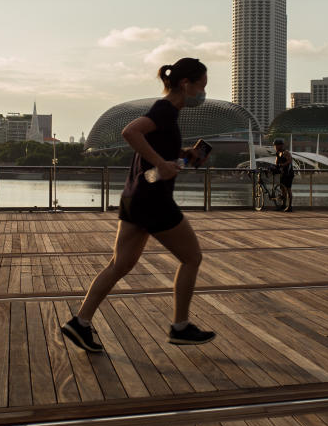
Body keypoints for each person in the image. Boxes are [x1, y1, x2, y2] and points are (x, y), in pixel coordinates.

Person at [61, 58, 216, 352]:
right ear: (187, 84)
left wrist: (183, 156)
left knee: (119, 265)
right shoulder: (164, 110)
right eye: (202, 86)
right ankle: (180, 327)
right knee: (192, 258)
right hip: (154, 201)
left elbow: (159, 160)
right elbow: (130, 132)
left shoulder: (168, 115)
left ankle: (79, 323)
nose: (203, 93)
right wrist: (160, 161)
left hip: (136, 197)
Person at [273, 138, 295, 211]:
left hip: (289, 173)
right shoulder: (278, 153)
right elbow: (276, 163)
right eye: (275, 146)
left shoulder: (286, 152)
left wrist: (282, 165)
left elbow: (289, 161)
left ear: (281, 145)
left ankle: (290, 206)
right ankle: (283, 205)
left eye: (276, 146)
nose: (275, 147)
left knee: (288, 189)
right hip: (283, 174)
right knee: (282, 189)